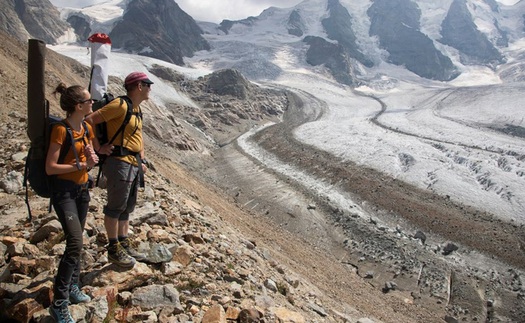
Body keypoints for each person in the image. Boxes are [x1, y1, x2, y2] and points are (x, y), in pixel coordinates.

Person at [85, 72, 152, 268]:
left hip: (132, 163)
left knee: (127, 206)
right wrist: (98, 147)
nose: (150, 88)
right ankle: (113, 248)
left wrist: (143, 159)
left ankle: (123, 242)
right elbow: (89, 121)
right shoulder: (120, 105)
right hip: (119, 162)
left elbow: (138, 137)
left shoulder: (136, 109)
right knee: (116, 206)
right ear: (138, 86)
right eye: (148, 84)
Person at [46, 83, 99, 323]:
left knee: (77, 242)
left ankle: (74, 286)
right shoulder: (60, 130)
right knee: (75, 243)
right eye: (89, 102)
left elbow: (89, 158)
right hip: (65, 193)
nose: (92, 104)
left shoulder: (86, 128)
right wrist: (80, 165)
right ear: (79, 106)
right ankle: (59, 303)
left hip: (82, 191)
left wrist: (90, 158)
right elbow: (50, 167)